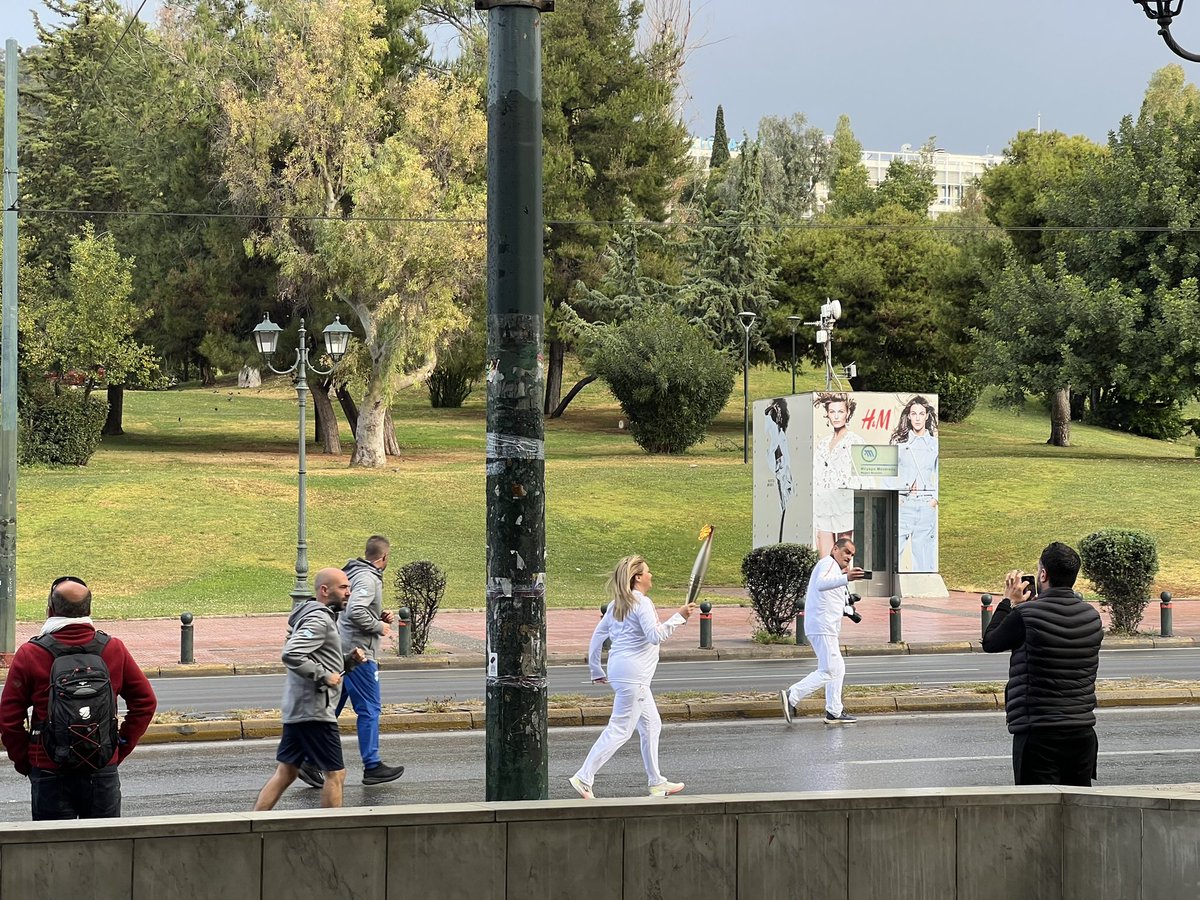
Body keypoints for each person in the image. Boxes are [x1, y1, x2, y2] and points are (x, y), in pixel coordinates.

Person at [0, 576, 157, 820]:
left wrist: (26, 761)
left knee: (54, 852)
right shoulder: (113, 648)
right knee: (103, 850)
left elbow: (9, 718)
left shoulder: (30, 653)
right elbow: (145, 702)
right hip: (101, 767)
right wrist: (119, 747)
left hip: (49, 768)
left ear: (50, 610)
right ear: (90, 610)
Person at [568, 556, 697, 800]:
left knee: (651, 724)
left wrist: (596, 669)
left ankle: (656, 782)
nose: (651, 576)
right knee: (621, 729)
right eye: (648, 572)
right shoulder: (642, 603)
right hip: (634, 675)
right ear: (637, 577)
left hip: (622, 671)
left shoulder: (618, 603)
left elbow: (598, 636)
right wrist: (679, 617)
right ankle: (584, 777)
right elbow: (654, 636)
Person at [982, 542, 1104, 786]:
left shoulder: (1026, 615)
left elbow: (991, 642)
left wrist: (1008, 602)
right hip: (1082, 732)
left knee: (1037, 815)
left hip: (1038, 733)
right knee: (1077, 811)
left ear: (1044, 574)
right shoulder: (1091, 616)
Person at [253, 567, 367, 810]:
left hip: (301, 707)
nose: (349, 592)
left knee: (287, 772)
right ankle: (329, 835)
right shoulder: (319, 619)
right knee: (336, 774)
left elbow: (321, 659)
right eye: (343, 587)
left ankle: (253, 825)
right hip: (314, 711)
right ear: (325, 591)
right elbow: (292, 654)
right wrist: (324, 676)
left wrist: (349, 661)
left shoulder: (322, 617)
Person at [331, 535, 404, 787]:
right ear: (384, 558)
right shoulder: (367, 578)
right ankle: (372, 765)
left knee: (331, 709)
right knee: (370, 709)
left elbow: (351, 605)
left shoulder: (354, 574)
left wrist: (379, 614)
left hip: (344, 647)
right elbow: (355, 611)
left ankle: (308, 759)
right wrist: (378, 625)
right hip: (359, 653)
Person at [779, 538, 865, 726]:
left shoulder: (834, 570)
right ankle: (792, 695)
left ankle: (834, 711)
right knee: (829, 670)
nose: (849, 557)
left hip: (826, 627)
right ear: (835, 549)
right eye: (846, 552)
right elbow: (821, 584)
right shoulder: (828, 563)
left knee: (838, 668)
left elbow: (831, 599)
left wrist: (849, 610)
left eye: (852, 555)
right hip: (822, 626)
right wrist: (847, 578)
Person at [890, 395, 939, 572]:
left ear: (927, 416)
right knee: (893, 550)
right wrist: (897, 497)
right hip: (905, 503)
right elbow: (890, 473)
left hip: (926, 504)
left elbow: (939, 474)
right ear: (909, 416)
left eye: (921, 413)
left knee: (924, 555)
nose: (917, 417)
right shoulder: (900, 444)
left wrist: (934, 499)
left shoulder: (934, 445)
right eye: (913, 413)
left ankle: (924, 592)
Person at [812, 393, 865, 557]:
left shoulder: (855, 441)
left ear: (847, 413)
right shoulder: (823, 444)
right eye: (832, 412)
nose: (836, 416)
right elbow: (816, 475)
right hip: (823, 506)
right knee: (826, 560)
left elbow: (862, 475)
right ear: (827, 414)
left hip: (845, 506)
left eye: (840, 411)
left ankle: (845, 583)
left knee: (843, 557)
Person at [764, 398, 795, 543]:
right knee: (782, 504)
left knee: (784, 503)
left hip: (782, 470)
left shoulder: (781, 435)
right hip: (779, 468)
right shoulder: (774, 431)